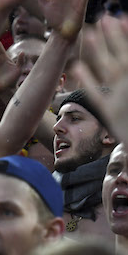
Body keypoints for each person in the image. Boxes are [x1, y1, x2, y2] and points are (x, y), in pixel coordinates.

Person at [52, 88, 117, 240]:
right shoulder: (39, 202)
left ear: (109, 134)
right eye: (58, 119)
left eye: (74, 119)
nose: (56, 128)